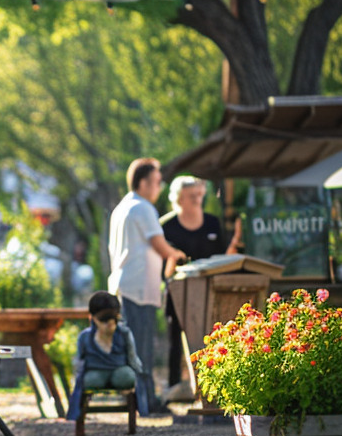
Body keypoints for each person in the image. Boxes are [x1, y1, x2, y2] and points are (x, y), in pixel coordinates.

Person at [107, 157, 185, 413]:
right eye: (156, 182)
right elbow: (159, 245)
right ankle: (146, 403)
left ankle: (135, 401)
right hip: (138, 288)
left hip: (125, 285)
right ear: (143, 183)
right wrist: (178, 255)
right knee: (141, 349)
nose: (159, 187)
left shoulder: (122, 207)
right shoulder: (143, 208)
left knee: (131, 347)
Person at [159, 175, 240, 402]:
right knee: (176, 339)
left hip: (211, 292)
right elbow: (163, 266)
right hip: (178, 292)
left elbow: (224, 256)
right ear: (179, 199)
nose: (196, 199)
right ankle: (175, 388)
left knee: (214, 337)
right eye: (191, 195)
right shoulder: (166, 226)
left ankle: (214, 388)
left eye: (199, 194)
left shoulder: (213, 222)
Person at [65, 291, 150, 420]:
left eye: (112, 318)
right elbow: (79, 360)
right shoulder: (85, 337)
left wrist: (139, 374)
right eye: (103, 319)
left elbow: (132, 357)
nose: (108, 323)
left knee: (126, 377)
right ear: (92, 318)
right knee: (90, 380)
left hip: (119, 369)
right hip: (95, 371)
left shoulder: (124, 334)